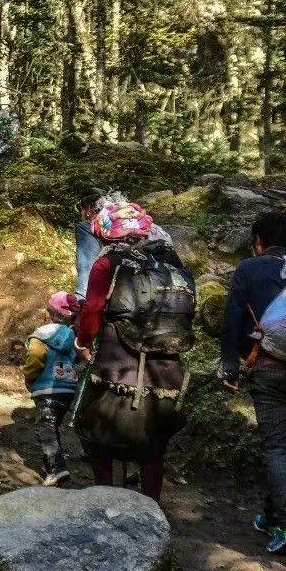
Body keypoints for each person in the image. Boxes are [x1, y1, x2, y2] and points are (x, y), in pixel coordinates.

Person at [218, 210, 286, 555]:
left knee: (276, 445)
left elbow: (233, 316)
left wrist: (229, 364)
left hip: (269, 367)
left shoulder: (250, 268)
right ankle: (272, 512)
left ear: (258, 241)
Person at [74, 201, 190, 502]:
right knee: (152, 446)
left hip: (116, 366)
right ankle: (151, 506)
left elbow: (94, 309)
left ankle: (104, 501)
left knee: (97, 435)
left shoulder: (107, 264)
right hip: (167, 369)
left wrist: (83, 342)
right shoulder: (171, 264)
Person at [22, 292, 82, 487]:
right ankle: (52, 466)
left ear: (49, 313)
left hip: (46, 387)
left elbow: (35, 356)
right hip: (68, 389)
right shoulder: (74, 336)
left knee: (45, 427)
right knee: (52, 425)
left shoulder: (41, 334)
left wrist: (30, 377)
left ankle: (57, 469)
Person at [74, 191, 103, 299]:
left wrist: (81, 299)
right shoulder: (135, 225)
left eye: (81, 210)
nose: (81, 214)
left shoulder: (87, 227)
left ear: (89, 209)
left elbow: (86, 265)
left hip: (107, 295)